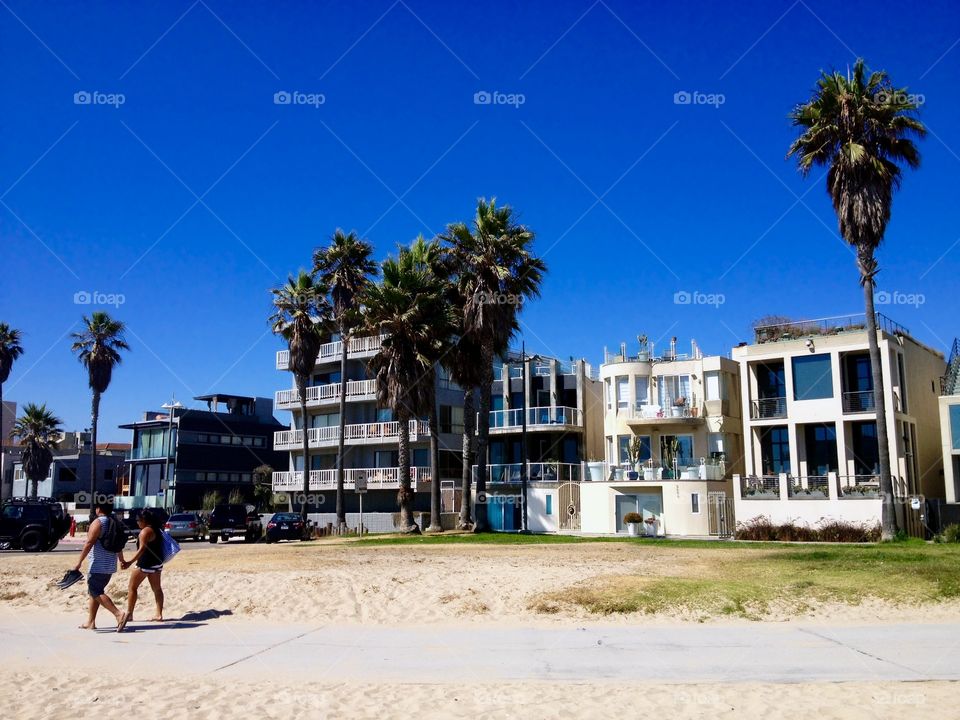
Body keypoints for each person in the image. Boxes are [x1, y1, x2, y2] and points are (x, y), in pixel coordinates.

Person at [73, 501, 129, 631]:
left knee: (95, 591)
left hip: (97, 564)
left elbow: (89, 543)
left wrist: (79, 562)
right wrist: (121, 560)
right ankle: (91, 622)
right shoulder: (114, 522)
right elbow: (118, 544)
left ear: (98, 509)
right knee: (94, 592)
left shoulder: (98, 522)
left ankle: (119, 614)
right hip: (110, 564)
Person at [121, 508, 165, 622]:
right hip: (157, 563)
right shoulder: (157, 529)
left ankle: (130, 614)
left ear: (144, 520)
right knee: (157, 589)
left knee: (132, 587)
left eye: (138, 519)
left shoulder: (145, 531)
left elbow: (141, 550)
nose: (137, 522)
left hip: (145, 564)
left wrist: (129, 562)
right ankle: (159, 614)